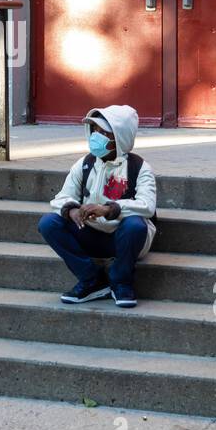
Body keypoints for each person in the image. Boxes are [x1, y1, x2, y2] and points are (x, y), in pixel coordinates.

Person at [37, 105, 157, 308]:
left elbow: (147, 206)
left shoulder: (139, 167)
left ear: (119, 136)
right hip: (90, 233)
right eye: (95, 130)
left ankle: (121, 282)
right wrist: (72, 209)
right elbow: (61, 197)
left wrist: (109, 209)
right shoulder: (84, 164)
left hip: (124, 238)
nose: (97, 136)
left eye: (104, 132)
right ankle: (91, 279)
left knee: (135, 225)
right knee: (48, 223)